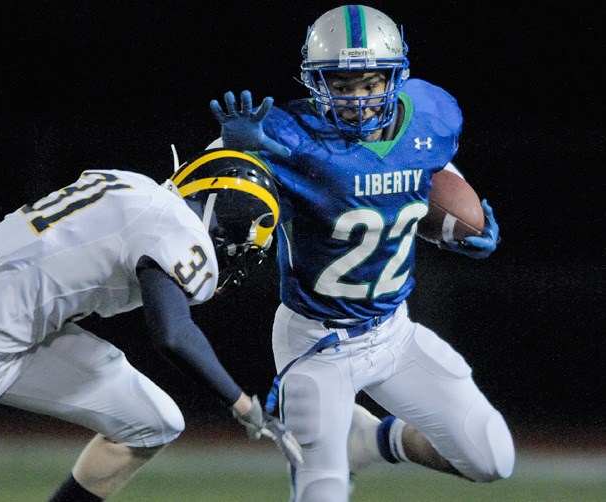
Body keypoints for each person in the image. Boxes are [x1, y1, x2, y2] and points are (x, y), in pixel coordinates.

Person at [208, 4, 515, 500]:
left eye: (370, 83)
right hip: (316, 343)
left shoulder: (429, 116)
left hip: (395, 331)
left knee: (492, 458)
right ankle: (341, 444)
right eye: (341, 84)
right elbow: (207, 190)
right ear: (315, 82)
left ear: (396, 78)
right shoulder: (284, 136)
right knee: (321, 493)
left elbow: (432, 163)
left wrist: (463, 222)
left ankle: (370, 440)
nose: (357, 99)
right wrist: (230, 151)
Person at [0, 148, 302, 501]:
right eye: (239, 248)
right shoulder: (178, 229)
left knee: (152, 421)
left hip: (23, 327)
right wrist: (245, 407)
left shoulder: (133, 185)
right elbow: (174, 334)